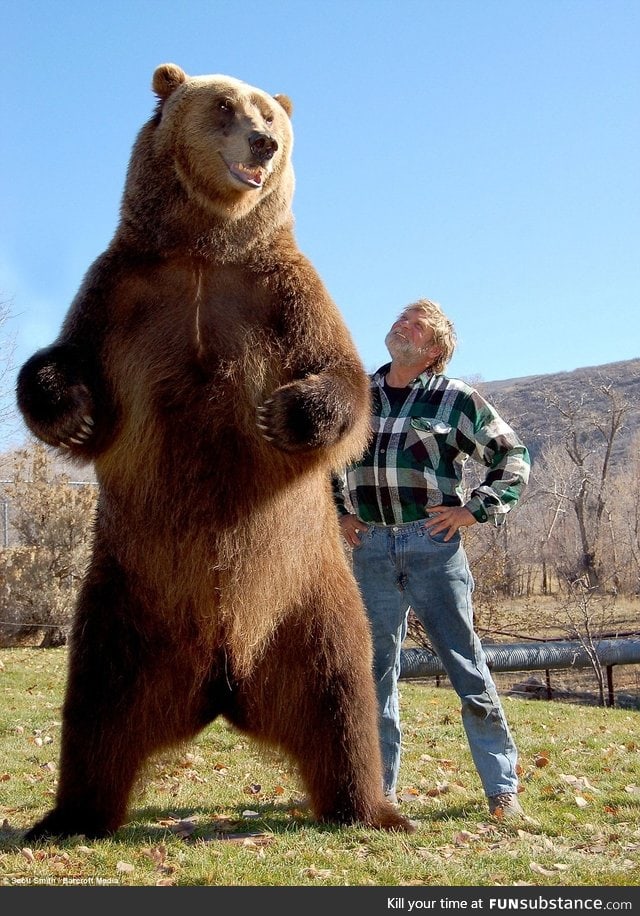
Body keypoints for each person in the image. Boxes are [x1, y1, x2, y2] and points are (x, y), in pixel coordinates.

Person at [332, 298, 531, 818]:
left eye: (416, 324)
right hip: (370, 547)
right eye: (401, 317)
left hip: (432, 547)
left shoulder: (456, 400)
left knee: (466, 666)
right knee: (373, 674)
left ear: (435, 349)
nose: (403, 324)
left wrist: (472, 511)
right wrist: (340, 515)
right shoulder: (357, 394)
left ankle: (501, 788)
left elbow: (512, 457)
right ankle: (379, 792)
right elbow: (321, 462)